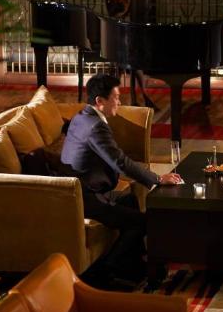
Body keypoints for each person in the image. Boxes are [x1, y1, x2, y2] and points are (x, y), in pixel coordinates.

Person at [61, 73, 183, 285]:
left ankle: (133, 265)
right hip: (86, 197)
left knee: (130, 201)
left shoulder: (82, 117)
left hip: (86, 190)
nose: (120, 101)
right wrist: (157, 179)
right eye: (116, 97)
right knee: (145, 221)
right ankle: (111, 267)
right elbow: (120, 162)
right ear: (100, 101)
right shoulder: (95, 127)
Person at [94, 0, 156, 108]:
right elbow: (98, 5)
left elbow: (150, 0)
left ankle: (134, 95)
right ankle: (140, 95)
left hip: (138, 24)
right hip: (112, 28)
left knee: (133, 44)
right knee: (126, 46)